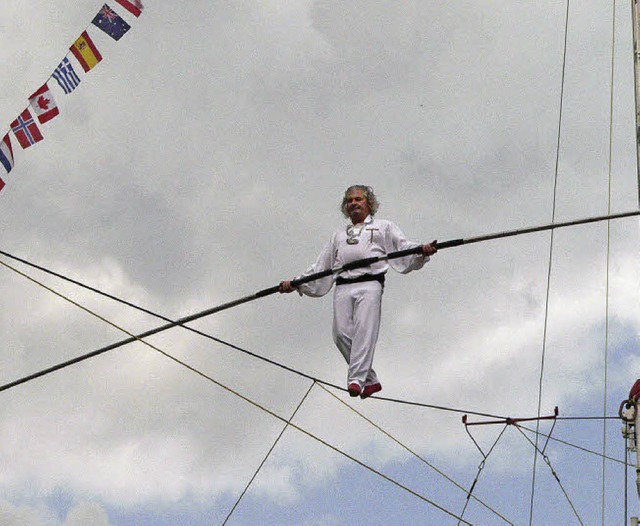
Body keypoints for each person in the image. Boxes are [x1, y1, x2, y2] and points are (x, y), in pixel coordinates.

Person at [279, 185, 437, 399]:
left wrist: (422, 250)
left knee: (364, 330)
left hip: (369, 283)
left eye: (358, 199)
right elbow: (320, 267)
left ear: (368, 203)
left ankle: (356, 379)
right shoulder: (338, 235)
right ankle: (369, 380)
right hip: (343, 283)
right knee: (340, 334)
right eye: (350, 201)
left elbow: (404, 247)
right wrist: (296, 283)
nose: (353, 203)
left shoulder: (384, 227)